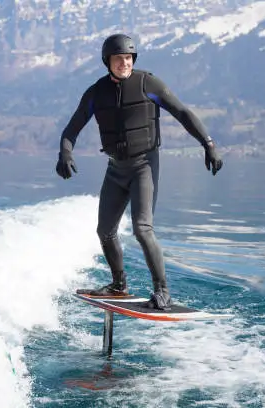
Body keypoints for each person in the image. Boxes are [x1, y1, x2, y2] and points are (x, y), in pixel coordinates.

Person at [55, 33, 223, 310]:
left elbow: (183, 112)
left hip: (144, 165)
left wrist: (208, 144)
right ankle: (118, 285)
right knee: (105, 231)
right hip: (115, 168)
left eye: (129, 57)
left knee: (142, 229)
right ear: (107, 61)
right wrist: (65, 153)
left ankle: (163, 291)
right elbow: (71, 128)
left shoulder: (148, 83)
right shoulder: (96, 93)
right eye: (119, 58)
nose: (125, 62)